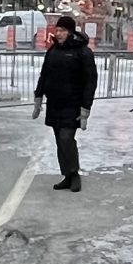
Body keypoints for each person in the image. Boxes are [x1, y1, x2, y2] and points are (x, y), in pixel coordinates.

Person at [33, 14, 97, 191]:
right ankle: (67, 175)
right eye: (57, 30)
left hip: (73, 104)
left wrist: (85, 108)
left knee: (66, 138)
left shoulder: (83, 52)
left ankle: (74, 173)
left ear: (69, 32)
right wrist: (38, 97)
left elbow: (90, 81)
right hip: (55, 103)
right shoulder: (53, 51)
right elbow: (44, 75)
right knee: (59, 141)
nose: (58, 33)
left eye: (61, 30)